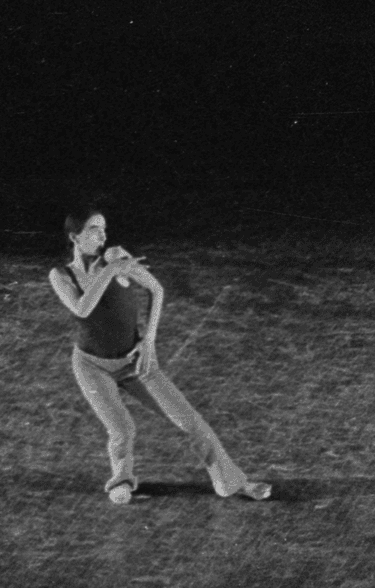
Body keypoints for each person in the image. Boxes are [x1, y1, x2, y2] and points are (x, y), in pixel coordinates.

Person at [49, 208, 271, 505]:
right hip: (92, 367)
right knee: (122, 429)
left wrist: (149, 339)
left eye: (103, 228)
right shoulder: (61, 275)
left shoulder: (116, 257)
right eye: (93, 229)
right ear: (75, 236)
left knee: (190, 421)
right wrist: (110, 271)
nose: (102, 235)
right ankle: (122, 481)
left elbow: (156, 288)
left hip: (135, 362)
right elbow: (82, 309)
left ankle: (231, 482)